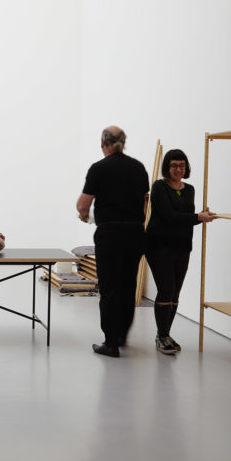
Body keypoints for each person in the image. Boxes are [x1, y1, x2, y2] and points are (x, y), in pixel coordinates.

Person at [77, 126, 148, 358]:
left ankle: (110, 343)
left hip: (110, 234)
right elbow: (144, 202)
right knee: (128, 285)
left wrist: (83, 214)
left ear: (102, 143)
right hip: (136, 233)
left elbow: (83, 205)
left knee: (109, 287)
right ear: (124, 142)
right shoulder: (139, 168)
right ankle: (121, 336)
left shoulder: (99, 169)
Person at [146, 149, 216, 355]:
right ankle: (161, 336)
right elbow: (169, 216)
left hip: (182, 246)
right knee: (166, 289)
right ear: (167, 167)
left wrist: (201, 217)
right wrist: (198, 217)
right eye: (174, 165)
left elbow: (185, 219)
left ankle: (166, 334)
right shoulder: (159, 187)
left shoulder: (190, 189)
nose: (178, 169)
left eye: (182, 165)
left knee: (175, 293)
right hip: (159, 246)